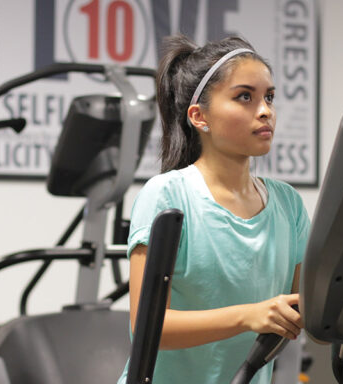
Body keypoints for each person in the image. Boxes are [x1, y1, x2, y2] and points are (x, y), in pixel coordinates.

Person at [117, 35, 310, 384]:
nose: (265, 110)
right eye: (244, 97)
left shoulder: (288, 205)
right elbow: (146, 328)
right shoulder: (167, 196)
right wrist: (247, 316)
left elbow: (307, 309)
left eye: (269, 97)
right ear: (199, 116)